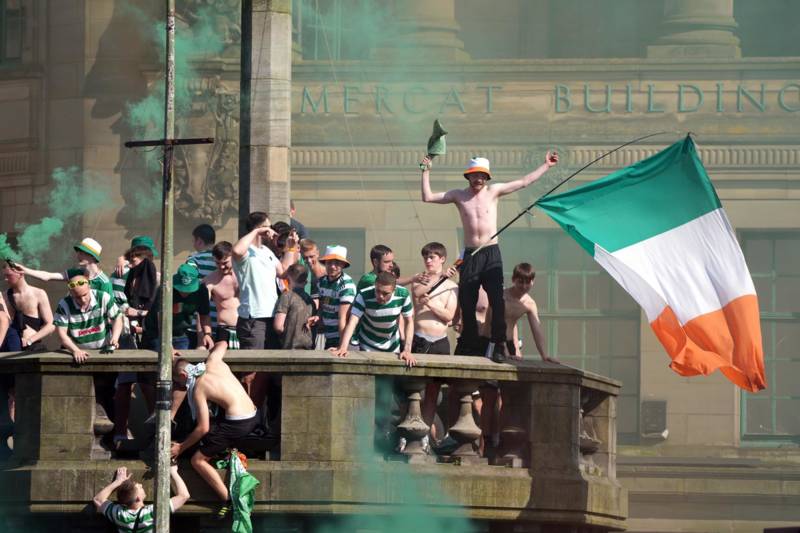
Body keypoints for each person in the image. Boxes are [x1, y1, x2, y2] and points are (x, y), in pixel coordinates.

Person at [421, 152, 558, 359]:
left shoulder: (493, 191)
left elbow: (523, 182)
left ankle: (499, 344)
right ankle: (468, 343)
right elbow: (427, 197)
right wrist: (426, 171)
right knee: (467, 300)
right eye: (475, 176)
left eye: (482, 176)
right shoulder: (459, 195)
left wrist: (545, 166)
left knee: (497, 299)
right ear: (468, 176)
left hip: (491, 252)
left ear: (487, 178)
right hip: (470, 254)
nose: (478, 180)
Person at [172, 341, 258, 519]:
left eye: (178, 382)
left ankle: (227, 499)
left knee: (197, 460)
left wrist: (181, 448)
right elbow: (223, 343)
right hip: (253, 413)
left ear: (182, 374)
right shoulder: (213, 361)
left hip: (237, 424)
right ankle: (222, 450)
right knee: (210, 431)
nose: (180, 387)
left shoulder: (198, 389)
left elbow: (203, 428)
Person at [232, 212, 297, 411]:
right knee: (251, 373)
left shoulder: (267, 252)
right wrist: (258, 231)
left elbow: (284, 271)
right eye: (267, 226)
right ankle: (246, 418)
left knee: (267, 372)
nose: (271, 231)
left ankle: (258, 418)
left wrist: (291, 247)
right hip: (253, 319)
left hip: (271, 317)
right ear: (259, 228)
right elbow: (236, 250)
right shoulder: (245, 252)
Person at [410, 243, 459, 442]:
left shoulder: (453, 286)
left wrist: (430, 303)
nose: (428, 261)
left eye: (433, 257)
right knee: (413, 391)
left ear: (442, 259)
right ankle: (409, 433)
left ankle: (424, 438)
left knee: (432, 393)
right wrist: (439, 279)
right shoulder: (420, 279)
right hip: (419, 339)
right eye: (426, 257)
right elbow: (417, 293)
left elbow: (448, 316)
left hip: (439, 342)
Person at [2, 265, 55, 422]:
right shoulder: (4, 295)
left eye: (8, 276)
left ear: (19, 274)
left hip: (32, 347)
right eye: (4, 276)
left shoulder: (38, 293)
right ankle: (14, 428)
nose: (5, 279)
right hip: (12, 348)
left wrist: (31, 338)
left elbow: (51, 325)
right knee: (12, 392)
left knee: (32, 390)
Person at [330, 272, 416, 367]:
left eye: (385, 293)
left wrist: (407, 350)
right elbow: (353, 321)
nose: (380, 296)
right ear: (375, 285)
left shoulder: (403, 295)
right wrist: (343, 347)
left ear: (394, 290)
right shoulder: (364, 295)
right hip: (367, 346)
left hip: (392, 347)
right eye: (377, 291)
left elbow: (409, 322)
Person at [483, 262, 554, 363]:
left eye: (528, 282)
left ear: (533, 282)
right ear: (513, 280)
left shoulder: (529, 303)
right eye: (520, 282)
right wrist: (504, 349)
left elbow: (537, 330)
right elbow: (493, 323)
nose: (524, 286)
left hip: (509, 344)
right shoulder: (501, 296)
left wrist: (544, 356)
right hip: (492, 342)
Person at [92, 465, 190, 532]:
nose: (141, 484)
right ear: (138, 498)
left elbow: (98, 499)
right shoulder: (151, 513)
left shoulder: (120, 515)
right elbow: (184, 496)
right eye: (139, 487)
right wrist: (173, 472)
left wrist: (117, 482)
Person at [142, 264, 213, 352]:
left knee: (181, 362)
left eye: (188, 290)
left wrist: (207, 334)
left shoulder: (202, 290)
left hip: (181, 332)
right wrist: (167, 345)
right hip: (156, 333)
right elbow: (161, 318)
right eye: (181, 289)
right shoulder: (165, 289)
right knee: (162, 359)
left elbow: (204, 315)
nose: (184, 293)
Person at [15, 237, 114, 297]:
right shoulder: (75, 273)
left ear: (92, 256)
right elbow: (47, 276)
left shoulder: (104, 282)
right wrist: (24, 270)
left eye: (82, 253)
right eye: (78, 252)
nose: (78, 256)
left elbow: (110, 312)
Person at [317, 245, 356, 349]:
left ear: (343, 265)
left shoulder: (346, 285)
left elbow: (343, 318)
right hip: (328, 337)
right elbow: (321, 307)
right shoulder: (321, 282)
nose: (332, 266)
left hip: (343, 338)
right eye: (329, 262)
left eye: (337, 263)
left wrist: (342, 346)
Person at [203, 241, 240, 348]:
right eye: (218, 263)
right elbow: (203, 311)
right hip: (224, 330)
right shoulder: (209, 281)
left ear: (233, 257)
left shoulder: (245, 275)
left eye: (225, 263)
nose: (222, 267)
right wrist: (206, 334)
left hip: (246, 328)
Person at [186, 224, 218, 348]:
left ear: (199, 241)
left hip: (197, 322)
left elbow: (188, 284)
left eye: (194, 241)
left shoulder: (194, 259)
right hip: (218, 319)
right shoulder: (221, 259)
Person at [274, 263, 315, 349]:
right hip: (308, 350)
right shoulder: (310, 301)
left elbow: (278, 327)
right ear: (306, 282)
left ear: (288, 279)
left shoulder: (286, 296)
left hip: (290, 349)